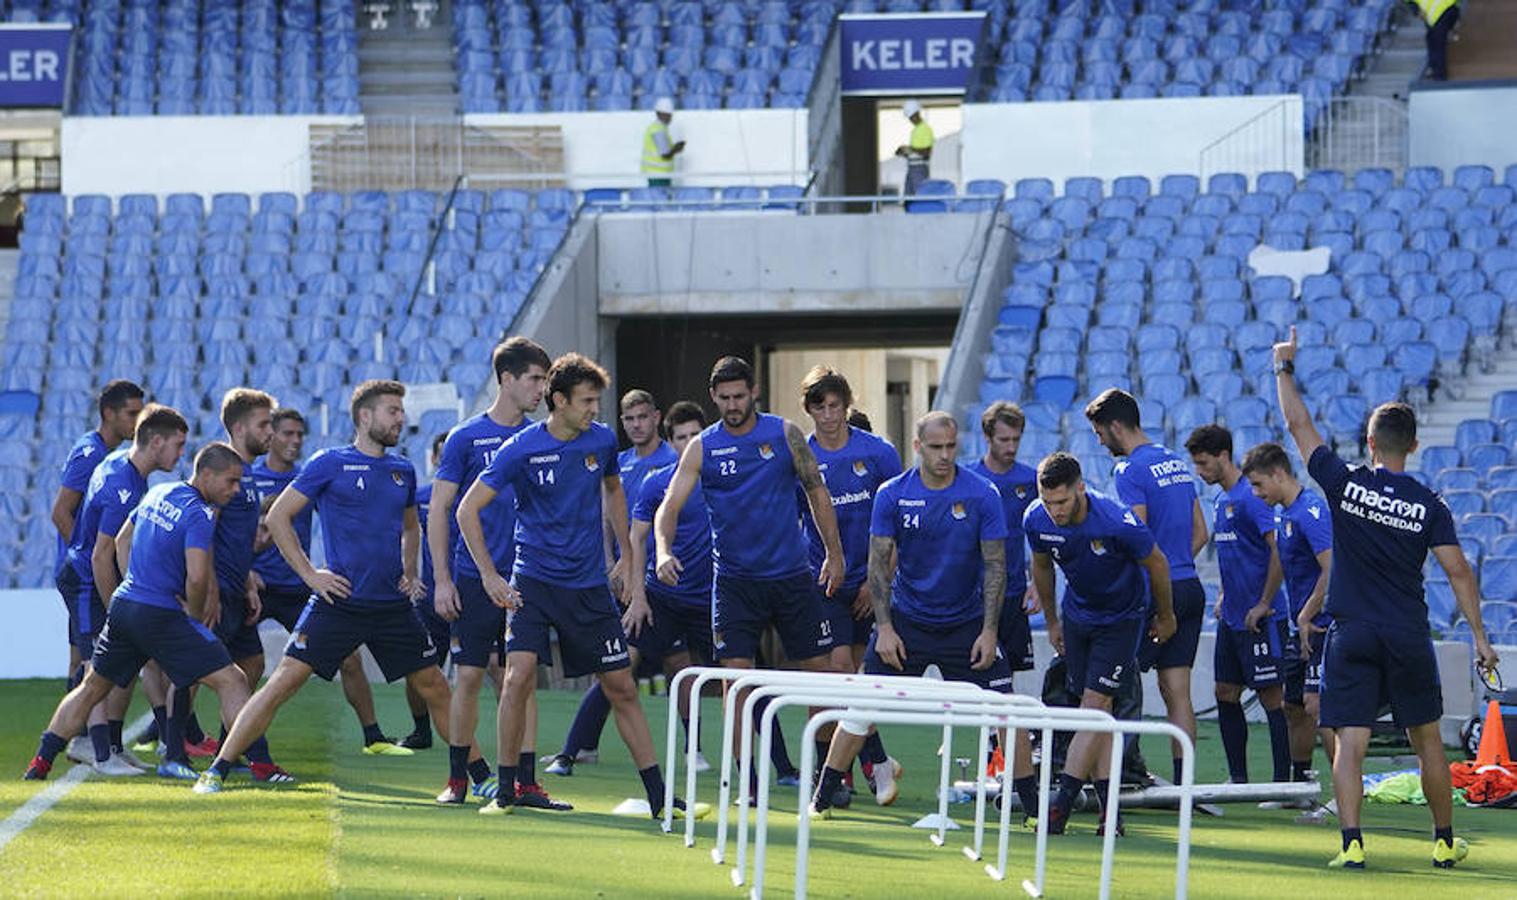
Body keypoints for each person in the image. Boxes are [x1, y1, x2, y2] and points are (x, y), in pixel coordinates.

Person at [1271, 326, 1498, 869]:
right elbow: (1459, 572)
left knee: (1351, 744)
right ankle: (1443, 842)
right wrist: (1480, 638)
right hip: (1406, 633)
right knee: (1428, 743)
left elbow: (1298, 425)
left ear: (1370, 443)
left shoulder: (1346, 484)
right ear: (1413, 446)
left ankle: (1352, 847)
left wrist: (1283, 367)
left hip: (1350, 633)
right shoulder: (1430, 504)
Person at [194, 381, 482, 794]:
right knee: (282, 683)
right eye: (392, 411)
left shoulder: (402, 470)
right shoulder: (329, 463)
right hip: (339, 602)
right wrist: (311, 574)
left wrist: (411, 572)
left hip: (391, 605)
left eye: (401, 411)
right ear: (365, 417)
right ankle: (218, 769)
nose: (401, 418)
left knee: (435, 685)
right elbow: (278, 519)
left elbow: (410, 526)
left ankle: (482, 777)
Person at [456, 354, 702, 820]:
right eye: (587, 400)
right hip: (532, 583)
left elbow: (613, 491)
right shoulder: (521, 448)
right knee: (517, 675)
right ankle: (508, 789)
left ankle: (659, 797)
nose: (594, 408)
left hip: (588, 587)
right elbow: (467, 510)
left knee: (621, 687)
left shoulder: (603, 441)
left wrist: (627, 560)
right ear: (559, 400)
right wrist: (490, 576)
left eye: (597, 399)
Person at [654, 356, 846, 794]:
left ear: (753, 392)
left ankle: (823, 773)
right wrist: (663, 550)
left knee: (819, 675)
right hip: (736, 583)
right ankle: (748, 780)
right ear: (714, 398)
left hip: (791, 576)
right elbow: (669, 505)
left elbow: (817, 492)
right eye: (724, 398)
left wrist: (834, 555)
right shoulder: (703, 446)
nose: (733, 404)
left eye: (739, 396)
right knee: (735, 680)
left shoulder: (784, 434)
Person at [810, 412, 1013, 817]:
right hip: (906, 622)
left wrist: (989, 631)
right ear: (918, 447)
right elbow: (878, 563)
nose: (944, 455)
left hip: (965, 623)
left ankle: (1032, 805)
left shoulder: (982, 494)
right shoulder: (892, 493)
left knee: (1008, 711)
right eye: (935, 447)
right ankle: (822, 797)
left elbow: (996, 565)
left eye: (951, 447)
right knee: (861, 707)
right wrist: (884, 628)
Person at [25, 443, 254, 781]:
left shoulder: (158, 492)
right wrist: (192, 616)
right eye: (231, 481)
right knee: (233, 679)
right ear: (206, 474)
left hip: (125, 603)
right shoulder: (200, 513)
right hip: (159, 612)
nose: (235, 490)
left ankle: (40, 763)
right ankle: (240, 765)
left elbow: (120, 541)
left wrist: (136, 580)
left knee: (91, 689)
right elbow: (197, 576)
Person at [1026, 452, 1176, 836]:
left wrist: (1166, 615)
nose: (1054, 510)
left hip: (1122, 621)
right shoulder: (1036, 520)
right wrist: (1053, 620)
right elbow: (1041, 566)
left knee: (1093, 708)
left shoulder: (1115, 521)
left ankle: (1060, 807)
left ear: (1080, 488)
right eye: (1048, 502)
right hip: (1077, 619)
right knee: (1096, 714)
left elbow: (1157, 563)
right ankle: (1111, 813)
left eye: (1061, 501)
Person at [431, 337, 553, 806]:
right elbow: (441, 508)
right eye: (534, 379)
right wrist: (443, 579)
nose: (541, 389)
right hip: (472, 577)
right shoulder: (466, 438)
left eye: (544, 380)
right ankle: (458, 780)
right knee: (467, 677)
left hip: (525, 578)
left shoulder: (542, 438)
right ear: (506, 379)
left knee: (518, 678)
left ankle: (525, 782)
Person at [548, 388, 679, 777]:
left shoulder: (673, 462)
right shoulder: (616, 462)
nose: (637, 425)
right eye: (629, 419)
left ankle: (693, 751)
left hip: (663, 583)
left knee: (674, 667)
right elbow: (605, 518)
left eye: (643, 417)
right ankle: (578, 747)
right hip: (626, 582)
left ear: (656, 417)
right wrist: (612, 563)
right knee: (619, 665)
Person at [251, 407, 397, 754]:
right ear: (270, 435)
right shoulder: (247, 477)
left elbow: (342, 521)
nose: (295, 440)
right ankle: (172, 729)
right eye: (287, 433)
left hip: (300, 585)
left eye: (300, 434)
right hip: (254, 586)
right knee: (234, 660)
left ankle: (373, 736)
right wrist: (243, 570)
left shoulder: (311, 475)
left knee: (350, 659)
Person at [54, 404, 189, 776]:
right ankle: (98, 753)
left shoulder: (120, 466)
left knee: (118, 666)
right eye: (177, 445)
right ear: (156, 441)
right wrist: (118, 606)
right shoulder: (124, 486)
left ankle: (110, 745)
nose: (181, 454)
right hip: (84, 579)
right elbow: (101, 555)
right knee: (96, 665)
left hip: (89, 574)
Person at [1085, 388, 1206, 788]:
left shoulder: (1130, 471)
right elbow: (1200, 532)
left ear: (1116, 426)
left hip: (1156, 594)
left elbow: (1135, 536)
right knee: (1178, 692)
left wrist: (1155, 581)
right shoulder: (1176, 463)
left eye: (1100, 433)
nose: (1100, 442)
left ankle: (1120, 772)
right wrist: (1173, 566)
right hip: (1189, 584)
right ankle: (1184, 783)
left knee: (1116, 683)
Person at [798, 366, 903, 807]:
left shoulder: (878, 453)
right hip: (821, 582)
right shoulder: (800, 455)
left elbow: (897, 526)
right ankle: (873, 763)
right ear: (809, 410)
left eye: (835, 405)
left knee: (857, 681)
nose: (828, 415)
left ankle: (838, 777)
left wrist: (878, 584)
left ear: (847, 405)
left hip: (869, 582)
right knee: (833, 677)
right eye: (819, 407)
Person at [1186, 425, 1291, 785]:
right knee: (1224, 692)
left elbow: (1279, 550)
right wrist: (1224, 596)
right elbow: (1238, 555)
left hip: (1263, 617)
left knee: (1272, 696)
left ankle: (1282, 783)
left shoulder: (1252, 497)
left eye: (1203, 463)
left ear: (1223, 457)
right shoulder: (1221, 501)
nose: (1200, 472)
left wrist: (1264, 602)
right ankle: (1239, 780)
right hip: (1232, 617)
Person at [1242, 441, 1337, 794]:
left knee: (1318, 708)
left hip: (1321, 626)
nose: (1255, 493)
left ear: (1278, 474)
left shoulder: (1311, 512)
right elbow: (1284, 559)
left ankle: (1340, 796)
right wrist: (1268, 601)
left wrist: (1308, 612)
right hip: (1301, 627)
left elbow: (1332, 569)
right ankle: (1300, 790)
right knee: (1292, 705)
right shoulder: (1285, 513)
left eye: (1258, 484)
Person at [967, 400, 1042, 814]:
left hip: (1014, 594)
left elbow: (1037, 537)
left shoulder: (1030, 481)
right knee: (984, 684)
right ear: (987, 437)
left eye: (1016, 440)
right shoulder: (971, 479)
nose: (1011, 447)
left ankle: (1002, 767)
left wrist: (1034, 584)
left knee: (1005, 685)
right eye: (1003, 440)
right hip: (975, 600)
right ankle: (987, 764)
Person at [50, 379, 144, 689]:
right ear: (108, 413)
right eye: (131, 414)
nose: (137, 422)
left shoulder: (110, 454)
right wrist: (88, 561)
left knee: (80, 655)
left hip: (89, 568)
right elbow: (61, 512)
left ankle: (76, 728)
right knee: (96, 658)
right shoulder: (91, 454)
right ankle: (85, 731)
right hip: (85, 574)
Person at [402, 432, 455, 751]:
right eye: (442, 455)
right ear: (434, 459)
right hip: (431, 599)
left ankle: (511, 737)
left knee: (494, 668)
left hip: (473, 595)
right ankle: (422, 730)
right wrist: (408, 575)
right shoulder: (420, 496)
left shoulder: (480, 495)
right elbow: (403, 533)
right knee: (418, 668)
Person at [641, 97, 685, 188]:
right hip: (658, 175)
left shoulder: (657, 128)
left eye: (670, 115)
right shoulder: (658, 130)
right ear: (659, 114)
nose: (670, 117)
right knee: (660, 199)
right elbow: (665, 154)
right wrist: (676, 149)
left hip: (658, 174)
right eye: (667, 115)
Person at [1412, 0, 1460, 81]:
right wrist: (1417, 11)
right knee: (1432, 40)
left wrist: (1416, 11)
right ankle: (1435, 70)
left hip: (1444, 11)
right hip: (1440, 12)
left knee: (1437, 43)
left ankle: (1439, 75)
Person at [896, 100, 934, 197]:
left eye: (911, 116)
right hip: (912, 167)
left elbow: (926, 152)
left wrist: (910, 149)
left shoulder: (925, 129)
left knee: (920, 196)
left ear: (917, 113)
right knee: (908, 198)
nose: (910, 119)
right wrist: (905, 152)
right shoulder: (915, 130)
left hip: (919, 169)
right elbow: (916, 151)